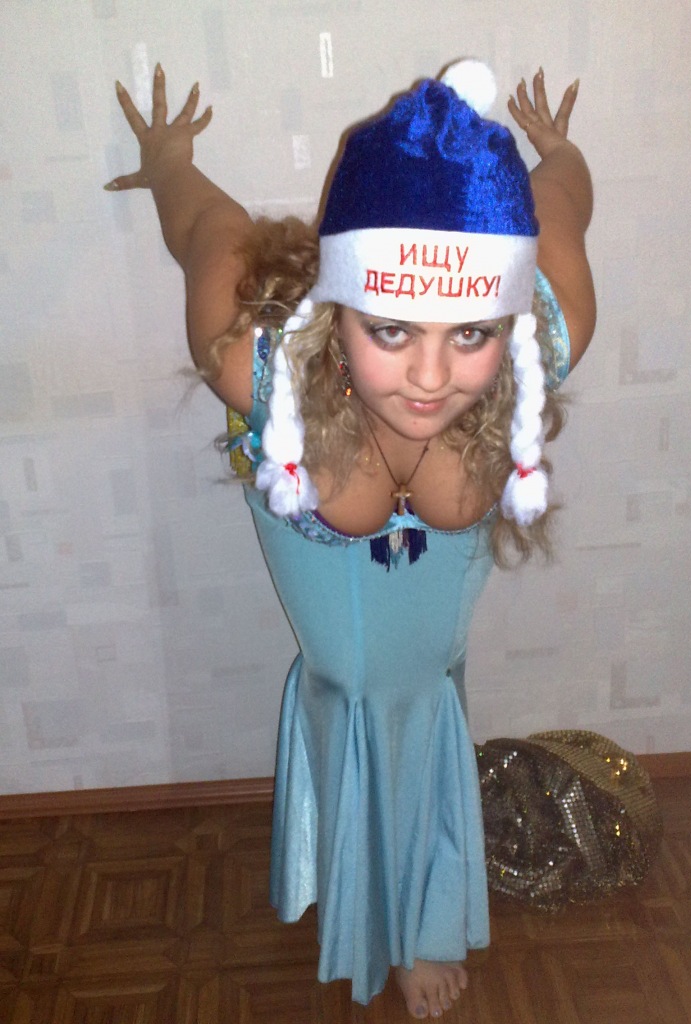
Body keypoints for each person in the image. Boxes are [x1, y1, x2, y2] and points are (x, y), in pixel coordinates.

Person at [106, 58, 594, 1020]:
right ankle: (387, 898)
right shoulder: (257, 362)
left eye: (469, 335)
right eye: (390, 330)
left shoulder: (545, 330)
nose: (429, 379)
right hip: (316, 512)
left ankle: (418, 908)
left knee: (421, 685)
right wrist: (169, 163)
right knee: (353, 684)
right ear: (336, 310)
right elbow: (209, 232)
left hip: (432, 602)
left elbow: (563, 206)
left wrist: (557, 148)